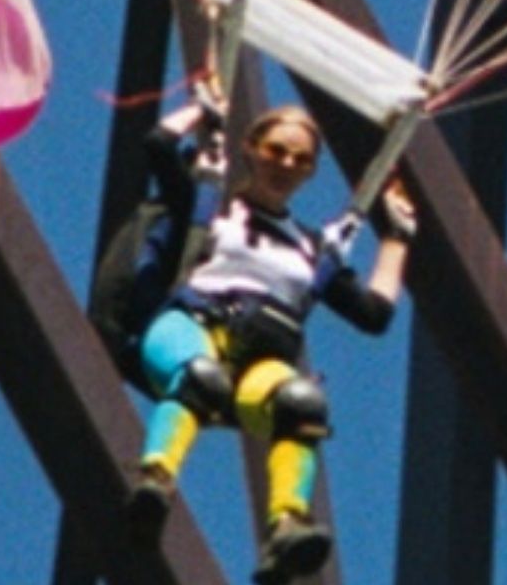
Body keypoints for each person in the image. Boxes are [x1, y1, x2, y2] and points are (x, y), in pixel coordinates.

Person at [123, 76, 416, 583]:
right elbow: (157, 146)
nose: (285, 165)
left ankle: (286, 530)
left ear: (310, 171)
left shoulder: (312, 249)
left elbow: (374, 314)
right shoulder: (208, 206)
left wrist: (397, 239)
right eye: (276, 151)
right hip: (188, 330)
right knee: (202, 378)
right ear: (252, 150)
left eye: (300, 160)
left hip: (255, 363)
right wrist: (200, 110)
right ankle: (155, 479)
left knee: (302, 404)